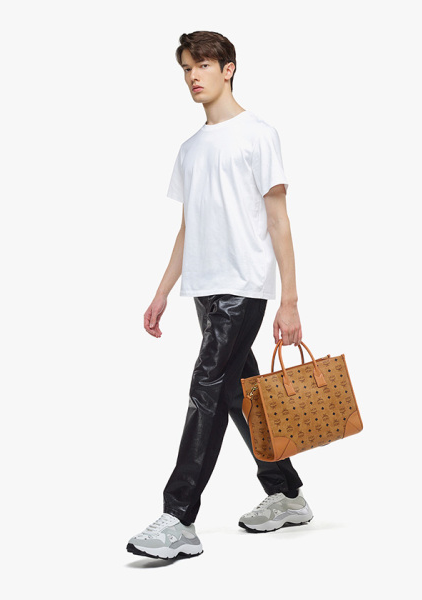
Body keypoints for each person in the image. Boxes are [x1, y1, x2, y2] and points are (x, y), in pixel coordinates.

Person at [126, 31, 313, 561]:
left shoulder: (258, 135)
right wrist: (162, 292)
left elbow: (278, 220)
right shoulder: (190, 149)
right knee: (239, 394)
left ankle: (178, 518)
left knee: (205, 388)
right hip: (203, 291)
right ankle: (286, 494)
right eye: (187, 67)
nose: (193, 76)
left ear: (228, 68)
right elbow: (190, 228)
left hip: (242, 288)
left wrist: (290, 300)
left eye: (203, 65)